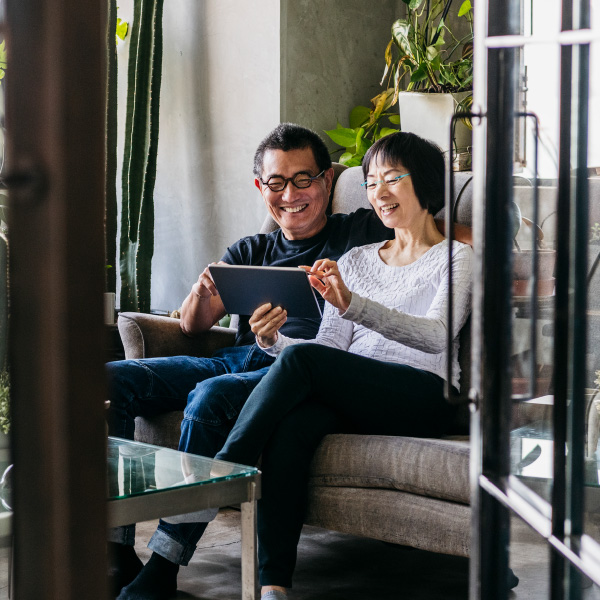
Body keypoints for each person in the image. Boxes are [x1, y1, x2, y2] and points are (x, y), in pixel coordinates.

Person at [110, 124, 470, 600]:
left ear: (424, 181)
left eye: (392, 178)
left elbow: (435, 336)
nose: (379, 192)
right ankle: (272, 586)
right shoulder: (359, 259)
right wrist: (275, 339)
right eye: (371, 181)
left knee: (286, 376)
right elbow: (327, 345)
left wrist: (351, 305)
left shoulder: (455, 257)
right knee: (293, 426)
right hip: (348, 386)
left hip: (426, 391)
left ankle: (209, 490)